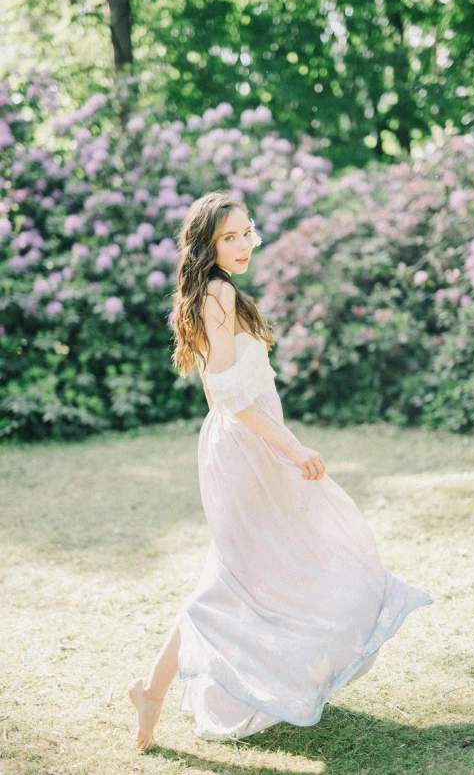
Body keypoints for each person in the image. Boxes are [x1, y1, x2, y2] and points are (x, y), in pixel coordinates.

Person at [128, 189, 434, 750]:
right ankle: (153, 687)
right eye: (229, 236)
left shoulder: (213, 294)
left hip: (242, 444)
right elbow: (227, 392)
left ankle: (152, 688)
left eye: (247, 232)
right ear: (207, 243)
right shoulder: (216, 295)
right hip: (248, 446)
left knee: (244, 568)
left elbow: (222, 392)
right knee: (237, 575)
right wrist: (290, 449)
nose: (243, 244)